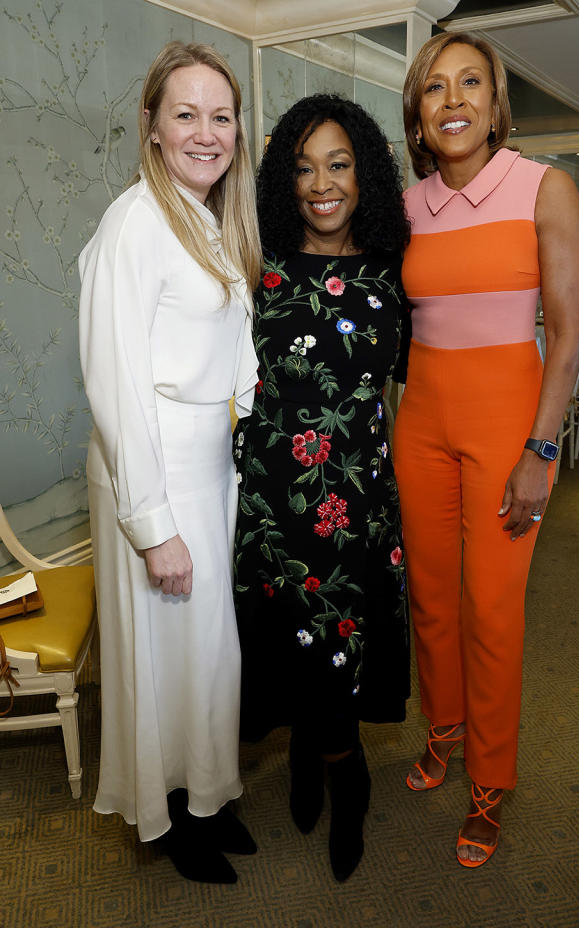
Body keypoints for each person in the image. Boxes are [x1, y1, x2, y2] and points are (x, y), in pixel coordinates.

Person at [394, 32, 579, 868]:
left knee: (492, 609)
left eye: (471, 82)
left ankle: (491, 782)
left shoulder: (546, 188)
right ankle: (441, 731)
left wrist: (541, 451)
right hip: (422, 423)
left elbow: (570, 333)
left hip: (510, 419)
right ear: (419, 113)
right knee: (431, 599)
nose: (454, 100)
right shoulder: (407, 206)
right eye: (435, 88)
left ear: (496, 101)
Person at [78, 41, 261, 884]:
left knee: (208, 652)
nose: (205, 132)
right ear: (152, 126)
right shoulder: (135, 222)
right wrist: (153, 527)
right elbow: (115, 383)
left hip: (208, 470)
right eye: (185, 114)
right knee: (165, 656)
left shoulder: (210, 223)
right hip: (152, 472)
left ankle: (208, 795)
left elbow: (231, 346)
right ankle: (170, 817)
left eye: (219, 116)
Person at [233, 94, 411, 882]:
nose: (321, 184)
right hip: (274, 498)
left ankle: (348, 776)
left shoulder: (394, 272)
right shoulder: (254, 268)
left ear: (364, 173)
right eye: (303, 168)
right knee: (287, 639)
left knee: (342, 641)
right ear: (283, 181)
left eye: (338, 164)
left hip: (357, 500)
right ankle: (309, 753)